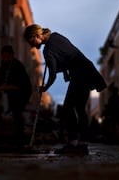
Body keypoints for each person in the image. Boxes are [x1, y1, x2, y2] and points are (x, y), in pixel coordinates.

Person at [23, 24, 107, 155]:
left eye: (32, 42)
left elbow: (52, 74)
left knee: (68, 108)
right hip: (86, 70)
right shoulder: (56, 36)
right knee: (79, 108)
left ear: (37, 36)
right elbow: (66, 57)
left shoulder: (48, 50)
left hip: (80, 74)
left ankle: (74, 143)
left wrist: (45, 87)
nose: (33, 46)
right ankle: (81, 144)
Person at [0, 45, 32, 150]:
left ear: (12, 56)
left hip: (23, 92)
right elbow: (1, 72)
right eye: (4, 57)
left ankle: (20, 142)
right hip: (12, 92)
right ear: (1, 56)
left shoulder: (17, 66)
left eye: (8, 57)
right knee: (14, 114)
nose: (6, 59)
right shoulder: (4, 64)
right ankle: (17, 139)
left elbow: (16, 86)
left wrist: (1, 88)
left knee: (17, 113)